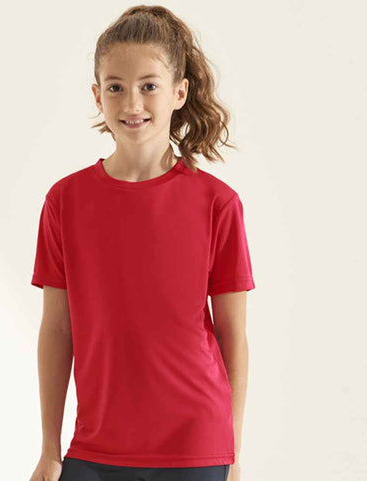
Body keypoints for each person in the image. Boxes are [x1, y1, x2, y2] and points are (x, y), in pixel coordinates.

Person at [29, 5, 255, 481]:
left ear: (179, 92)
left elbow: (233, 335)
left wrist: (232, 453)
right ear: (97, 95)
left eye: (149, 86)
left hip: (196, 445)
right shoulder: (65, 201)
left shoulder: (218, 204)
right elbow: (57, 330)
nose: (132, 103)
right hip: (95, 445)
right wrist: (50, 448)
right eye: (116, 87)